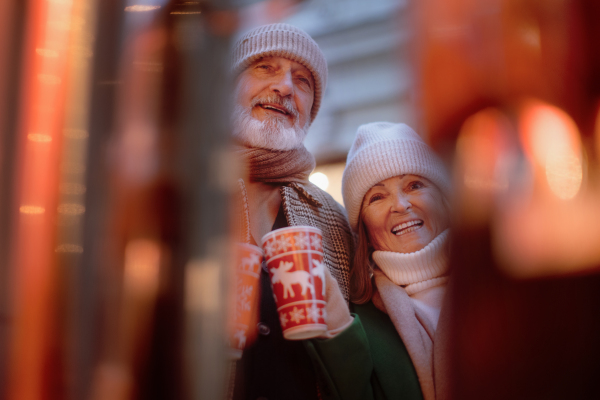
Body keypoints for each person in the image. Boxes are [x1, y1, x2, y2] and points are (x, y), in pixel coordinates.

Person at [229, 23, 355, 400]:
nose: (285, 87)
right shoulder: (184, 194)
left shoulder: (332, 218)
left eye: (302, 81)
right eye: (265, 67)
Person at [305, 122, 453, 400]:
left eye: (414, 185)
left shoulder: (500, 285)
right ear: (365, 230)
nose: (400, 204)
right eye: (377, 197)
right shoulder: (357, 324)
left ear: (445, 200)